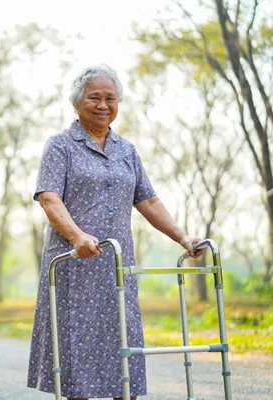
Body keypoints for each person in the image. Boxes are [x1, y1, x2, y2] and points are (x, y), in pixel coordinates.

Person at [26, 64, 205, 400]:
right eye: (94, 97)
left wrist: (183, 237)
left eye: (110, 98)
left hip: (115, 267)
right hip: (73, 265)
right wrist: (78, 236)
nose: (103, 105)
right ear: (77, 102)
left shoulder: (127, 151)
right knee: (76, 358)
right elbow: (49, 199)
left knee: (124, 347)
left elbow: (148, 200)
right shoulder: (60, 146)